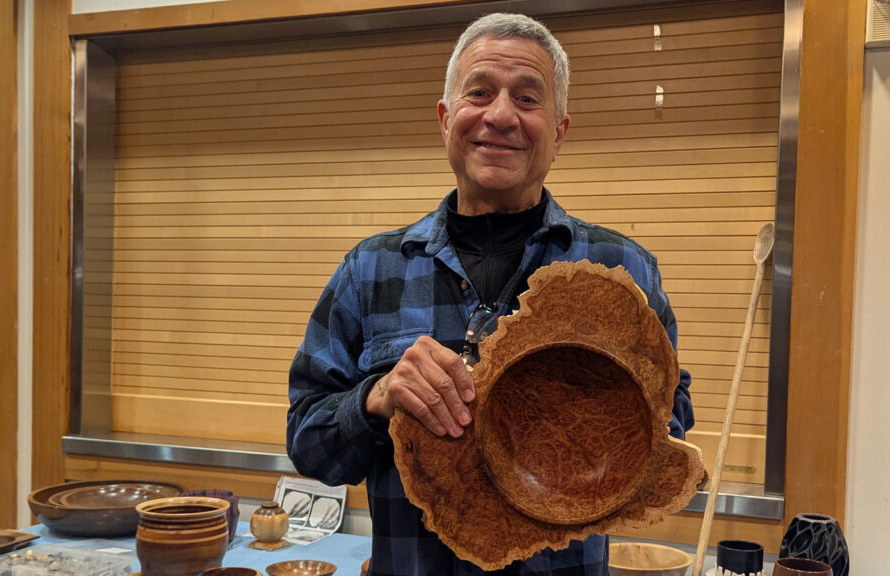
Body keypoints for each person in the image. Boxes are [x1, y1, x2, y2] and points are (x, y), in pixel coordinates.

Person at [287, 12, 693, 576]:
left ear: (559, 131)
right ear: (446, 117)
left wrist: (601, 420)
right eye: (480, 92)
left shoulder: (621, 272)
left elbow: (672, 422)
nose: (500, 115)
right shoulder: (371, 270)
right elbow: (308, 445)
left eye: (528, 99)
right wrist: (376, 398)